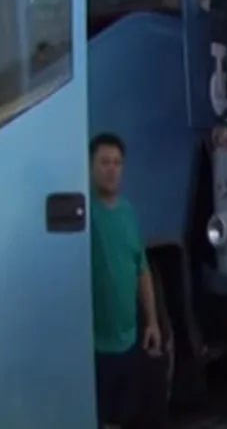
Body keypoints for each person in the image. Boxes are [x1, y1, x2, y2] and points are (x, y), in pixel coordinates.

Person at [90, 133, 163, 429]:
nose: (111, 169)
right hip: (95, 346)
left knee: (122, 417)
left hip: (128, 341)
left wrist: (153, 322)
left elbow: (141, 269)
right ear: (90, 166)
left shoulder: (129, 212)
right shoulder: (85, 216)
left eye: (117, 163)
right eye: (104, 162)